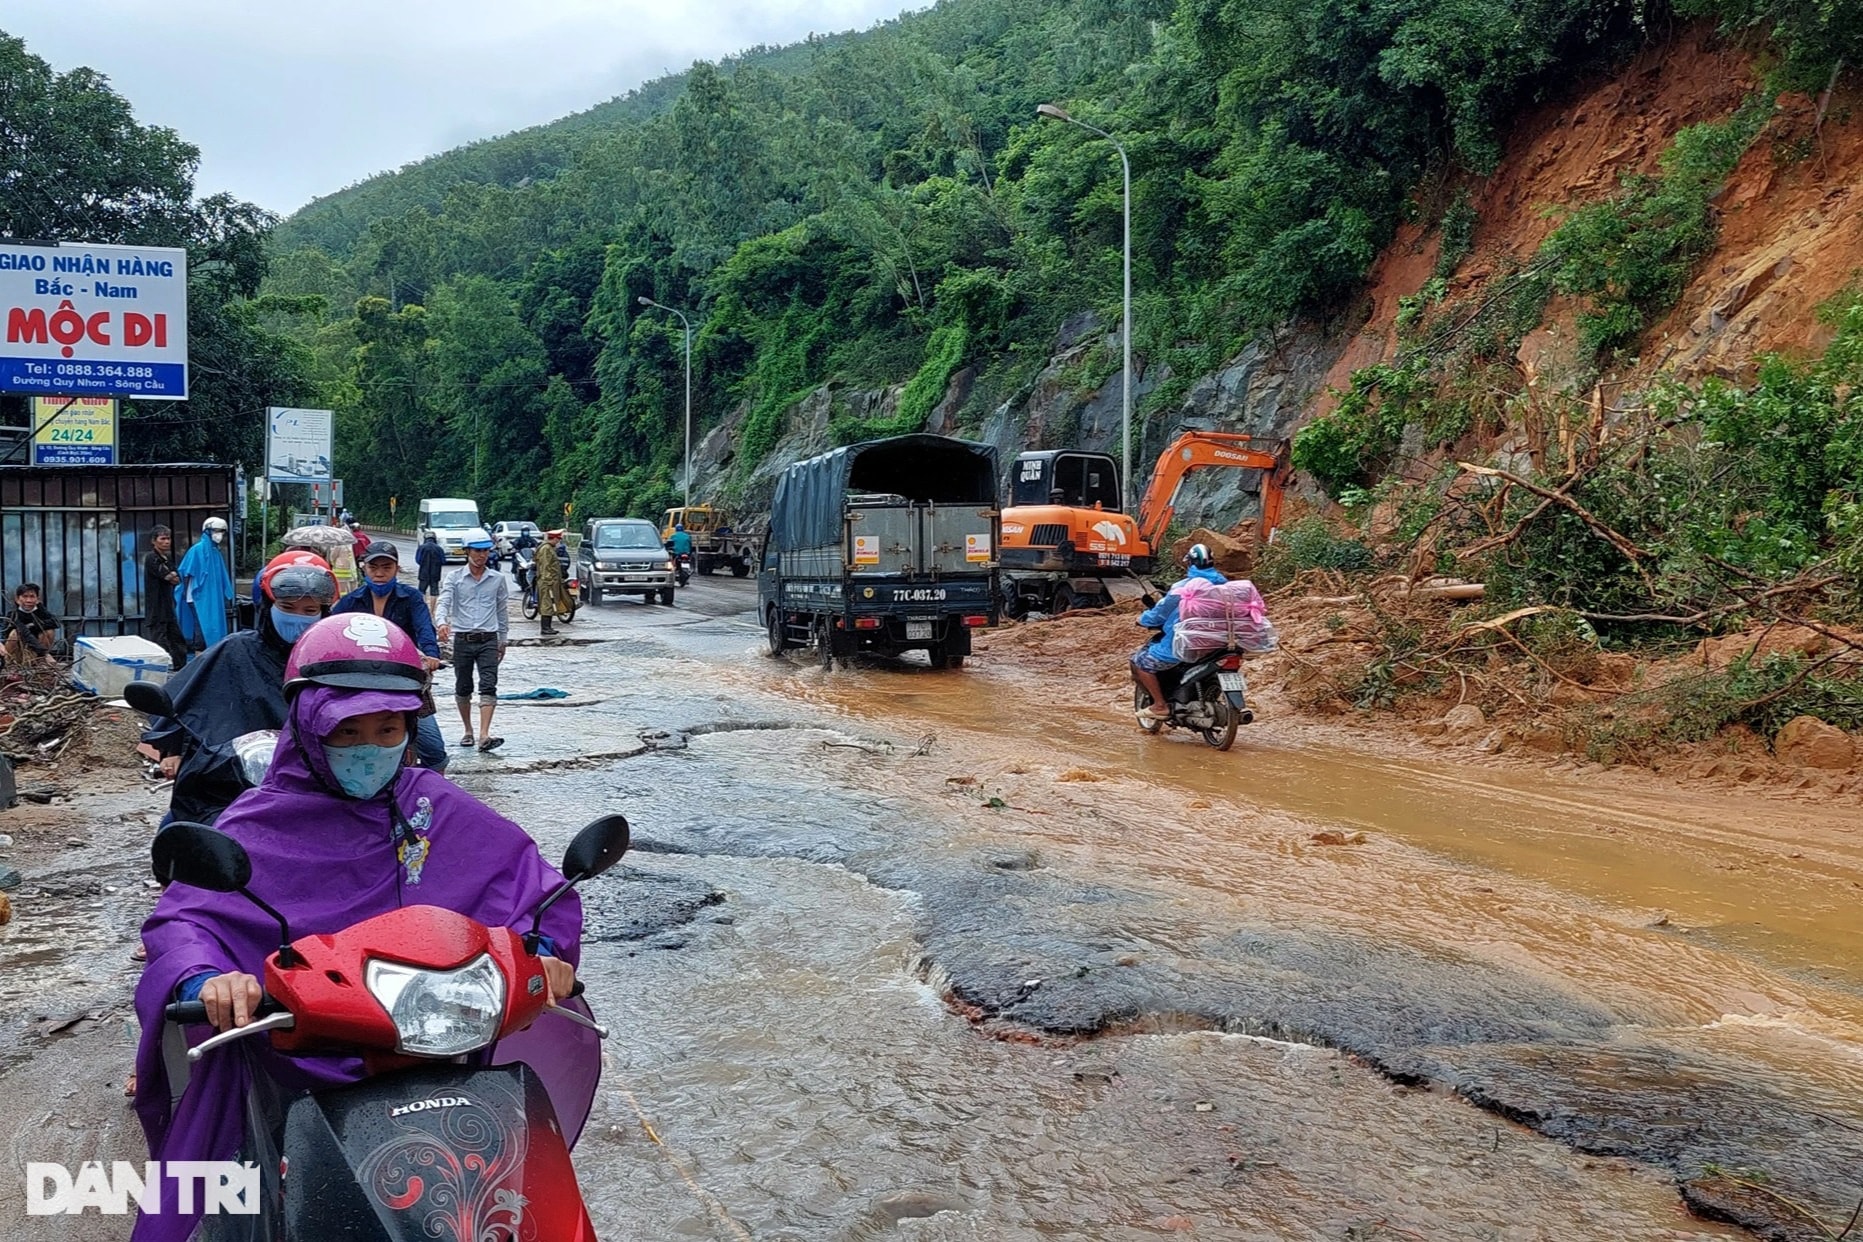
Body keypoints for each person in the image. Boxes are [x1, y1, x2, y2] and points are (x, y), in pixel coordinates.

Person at [132, 614, 594, 1242]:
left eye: (387, 728)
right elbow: (185, 917)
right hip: (301, 1056)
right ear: (307, 726)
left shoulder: (435, 806)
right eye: (347, 731)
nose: (369, 747)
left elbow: (532, 888)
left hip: (434, 1046)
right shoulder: (257, 823)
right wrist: (208, 977)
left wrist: (542, 952)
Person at [148, 553, 338, 825]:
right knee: (176, 829)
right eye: (287, 607)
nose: (298, 618)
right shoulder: (234, 651)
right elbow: (194, 705)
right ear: (267, 605)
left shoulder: (336, 659)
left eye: (310, 612)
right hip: (235, 781)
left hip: (318, 784)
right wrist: (173, 751)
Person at [332, 541, 449, 772]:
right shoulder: (350, 602)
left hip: (407, 683)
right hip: (360, 685)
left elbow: (425, 629)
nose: (379, 573)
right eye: (374, 567)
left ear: (396, 569)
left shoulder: (412, 598)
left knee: (435, 752)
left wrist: (431, 656)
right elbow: (329, 631)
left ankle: (430, 797)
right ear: (364, 568)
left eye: (386, 567)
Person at [1130, 543, 1228, 720]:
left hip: (1188, 642)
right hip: (1220, 641)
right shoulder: (1224, 584)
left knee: (1142, 663)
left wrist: (1142, 620)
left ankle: (1160, 705)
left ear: (1190, 563)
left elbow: (1160, 612)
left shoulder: (1183, 587)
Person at [434, 533, 508, 752]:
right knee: (463, 685)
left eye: (485, 551)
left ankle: (485, 734)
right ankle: (468, 730)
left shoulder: (497, 579)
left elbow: (502, 611)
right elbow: (444, 601)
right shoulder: (454, 577)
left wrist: (502, 641)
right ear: (467, 551)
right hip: (463, 639)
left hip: (488, 639)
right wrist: (441, 623)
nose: (481, 555)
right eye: (476, 551)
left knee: (488, 684)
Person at [175, 517, 234, 653]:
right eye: (216, 531)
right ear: (207, 531)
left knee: (213, 626)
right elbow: (185, 572)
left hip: (212, 597)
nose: (219, 534)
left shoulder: (215, 552)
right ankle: (199, 660)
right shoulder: (197, 550)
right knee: (202, 629)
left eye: (222, 531)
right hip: (198, 597)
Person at [141, 527, 187, 670]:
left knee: (176, 638)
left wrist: (172, 575)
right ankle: (159, 669)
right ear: (154, 541)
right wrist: (171, 575)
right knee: (159, 640)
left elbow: (177, 579)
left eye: (168, 538)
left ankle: (180, 667)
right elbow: (168, 577)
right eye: (162, 539)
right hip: (156, 607)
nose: (166, 542)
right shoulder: (151, 558)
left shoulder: (167, 559)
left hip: (168, 606)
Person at [3, 582, 61, 665]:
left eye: (32, 597)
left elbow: (56, 622)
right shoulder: (13, 615)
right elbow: (25, 633)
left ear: (37, 599)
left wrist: (33, 625)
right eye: (25, 596)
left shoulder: (41, 611)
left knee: (49, 631)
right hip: (18, 652)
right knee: (14, 634)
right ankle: (10, 663)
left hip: (35, 652)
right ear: (17, 599)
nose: (28, 600)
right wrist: (45, 653)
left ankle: (39, 661)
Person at [534, 529, 573, 636]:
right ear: (554, 538)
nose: (558, 541)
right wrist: (549, 581)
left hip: (550, 581)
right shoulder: (546, 549)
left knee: (550, 603)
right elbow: (545, 566)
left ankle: (548, 627)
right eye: (558, 539)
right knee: (547, 604)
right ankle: (545, 628)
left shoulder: (549, 548)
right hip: (547, 581)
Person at [415, 531, 445, 607]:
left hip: (423, 573)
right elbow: (443, 561)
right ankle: (432, 612)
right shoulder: (439, 548)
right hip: (435, 574)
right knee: (434, 592)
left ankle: (424, 609)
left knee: (422, 591)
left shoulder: (421, 547)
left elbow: (418, 560)